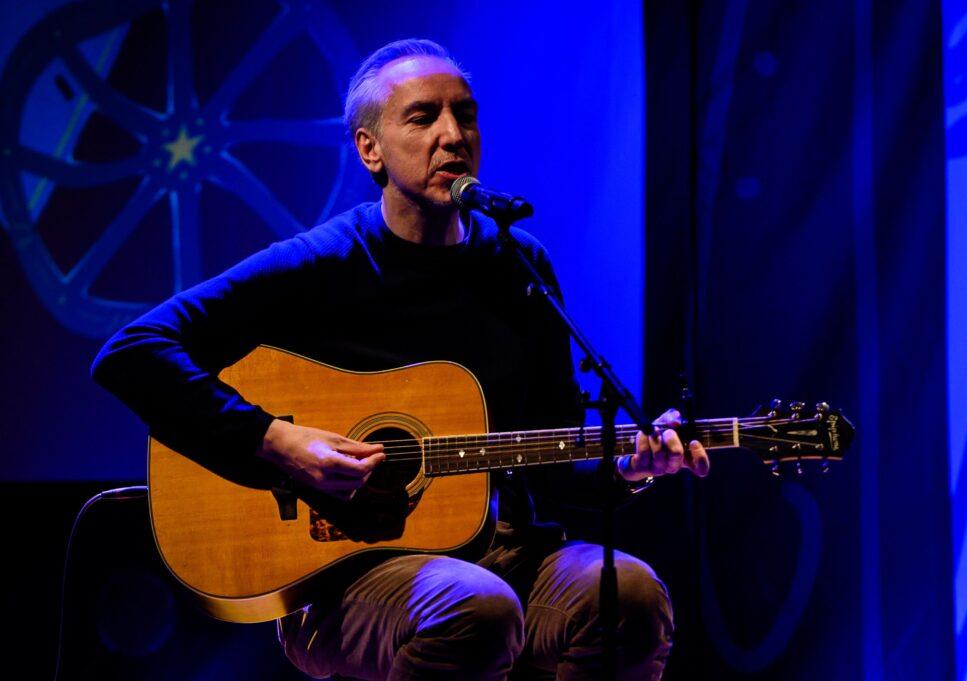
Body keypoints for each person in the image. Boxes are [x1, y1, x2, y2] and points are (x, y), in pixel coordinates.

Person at [91, 38, 710, 680]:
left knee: (630, 597)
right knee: (475, 607)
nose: (453, 135)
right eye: (422, 117)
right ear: (371, 149)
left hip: (501, 551)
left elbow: (552, 463)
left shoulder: (518, 265)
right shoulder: (321, 264)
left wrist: (631, 467)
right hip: (341, 577)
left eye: (465, 115)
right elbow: (133, 352)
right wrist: (277, 442)